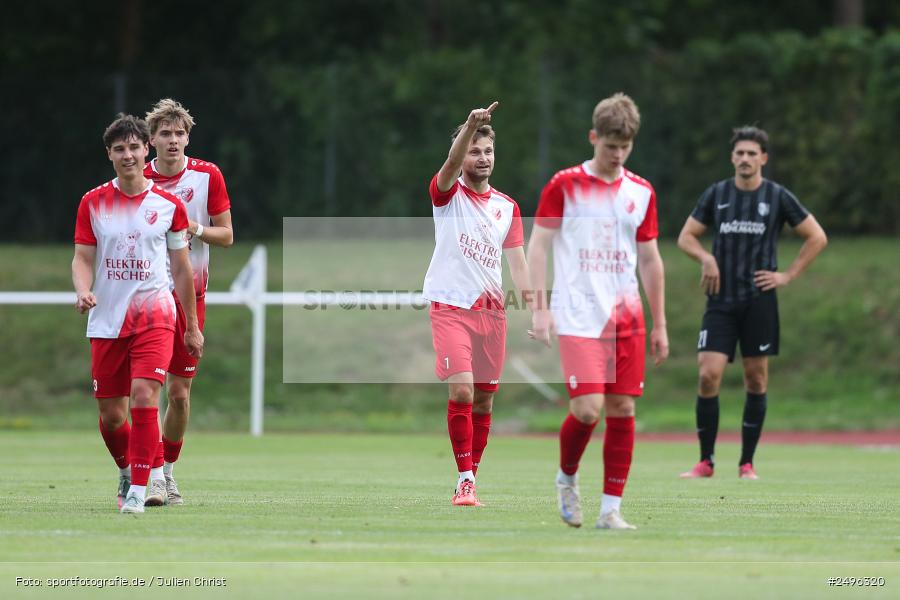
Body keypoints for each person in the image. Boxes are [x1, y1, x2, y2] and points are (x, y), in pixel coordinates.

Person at [528, 93, 668, 530]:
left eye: (625, 146)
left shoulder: (641, 192)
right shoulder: (564, 185)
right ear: (594, 137)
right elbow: (539, 245)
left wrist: (660, 323)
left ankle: (610, 511)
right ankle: (567, 478)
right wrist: (539, 308)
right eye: (610, 145)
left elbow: (650, 259)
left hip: (627, 317)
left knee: (622, 409)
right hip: (577, 315)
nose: (618, 154)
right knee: (588, 409)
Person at [678, 125, 827, 480]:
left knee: (756, 380)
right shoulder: (717, 194)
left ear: (763, 158)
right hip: (720, 301)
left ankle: (747, 463)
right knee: (707, 375)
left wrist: (787, 275)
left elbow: (816, 237)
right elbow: (686, 237)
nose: (745, 159)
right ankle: (706, 461)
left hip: (759, 301)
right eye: (739, 153)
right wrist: (706, 258)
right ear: (732, 158)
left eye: (751, 153)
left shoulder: (777, 197)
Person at [72, 114, 203, 514]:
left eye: (134, 147)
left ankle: (140, 490)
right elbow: (82, 257)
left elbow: (181, 269)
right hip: (108, 318)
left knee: (147, 395)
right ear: (109, 154)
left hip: (155, 314)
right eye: (119, 149)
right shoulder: (93, 202)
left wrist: (191, 326)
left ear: (146, 149)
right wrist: (83, 289)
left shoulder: (168, 206)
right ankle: (128, 470)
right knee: (113, 416)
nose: (128, 155)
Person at [422, 102, 533, 507]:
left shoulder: (508, 207)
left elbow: (517, 263)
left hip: (492, 314)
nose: (481, 157)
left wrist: (536, 309)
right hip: (451, 306)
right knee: (464, 391)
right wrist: (469, 126)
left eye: (487, 151)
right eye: (474, 150)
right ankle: (464, 479)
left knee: (485, 400)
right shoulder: (447, 195)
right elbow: (449, 164)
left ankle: (471, 477)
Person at [141, 99, 233, 506]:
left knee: (179, 394)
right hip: (146, 295)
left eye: (179, 134)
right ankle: (153, 475)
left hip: (191, 296)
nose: (173, 140)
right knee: (148, 388)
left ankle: (169, 471)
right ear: (151, 141)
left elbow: (227, 235)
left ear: (188, 138)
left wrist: (194, 227)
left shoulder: (207, 175)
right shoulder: (137, 179)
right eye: (165, 134)